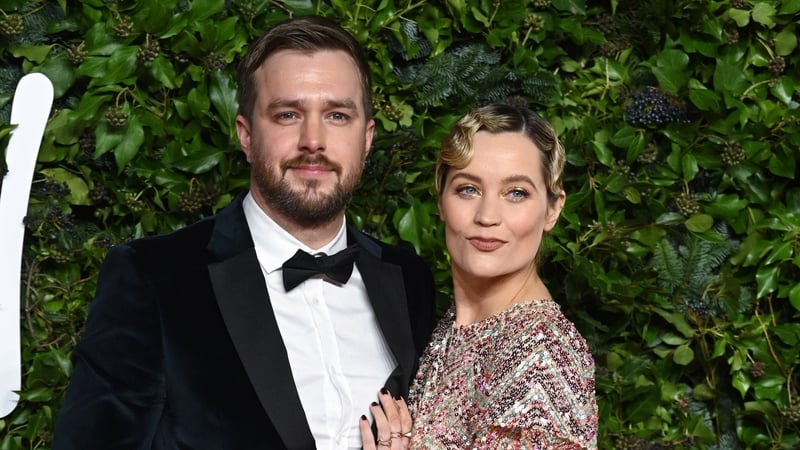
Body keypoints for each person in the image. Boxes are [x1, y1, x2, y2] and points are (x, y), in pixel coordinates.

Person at [52, 15, 436, 450]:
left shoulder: (409, 279)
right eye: (288, 114)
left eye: (337, 115)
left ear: (366, 138)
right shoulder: (153, 277)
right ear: (247, 136)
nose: (314, 140)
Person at [359, 103, 598, 449]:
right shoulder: (454, 326)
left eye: (516, 193)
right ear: (441, 199)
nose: (487, 216)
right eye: (468, 189)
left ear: (552, 209)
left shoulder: (539, 355)